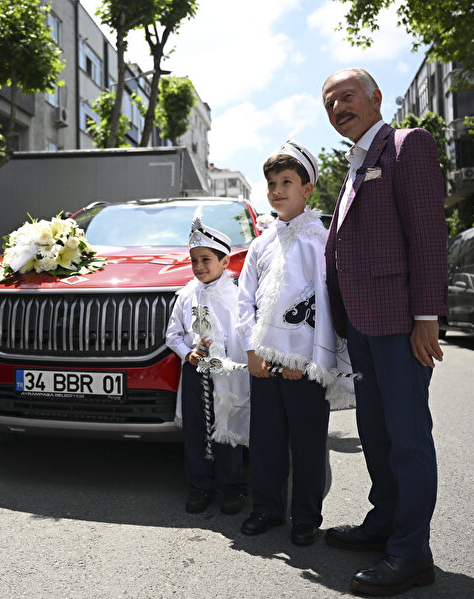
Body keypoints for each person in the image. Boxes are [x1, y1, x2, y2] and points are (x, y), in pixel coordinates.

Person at [321, 67, 447, 595]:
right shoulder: (356, 164)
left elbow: (427, 233)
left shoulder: (404, 145)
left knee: (407, 438)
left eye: (346, 96)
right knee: (375, 431)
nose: (337, 107)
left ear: (375, 97)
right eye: (329, 103)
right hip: (364, 326)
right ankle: (385, 523)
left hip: (400, 324)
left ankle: (410, 553)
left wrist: (426, 316)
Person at [236, 140, 355, 547]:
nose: (277, 190)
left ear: (307, 189)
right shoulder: (260, 244)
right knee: (266, 440)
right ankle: (267, 508)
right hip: (263, 362)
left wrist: (303, 360)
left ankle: (306, 515)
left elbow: (322, 304)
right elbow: (245, 300)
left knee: (307, 442)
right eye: (271, 183)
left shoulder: (320, 241)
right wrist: (251, 350)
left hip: (304, 366)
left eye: (287, 181)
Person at [165, 219, 250, 515]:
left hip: (226, 374)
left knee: (227, 428)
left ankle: (233, 487)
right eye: (194, 261)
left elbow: (242, 334)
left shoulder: (236, 295)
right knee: (197, 430)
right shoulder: (187, 294)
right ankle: (200, 486)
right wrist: (188, 353)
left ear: (224, 261)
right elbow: (172, 334)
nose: (199, 266)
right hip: (195, 371)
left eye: (206, 259)